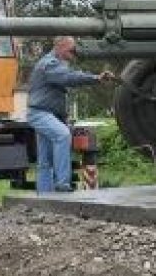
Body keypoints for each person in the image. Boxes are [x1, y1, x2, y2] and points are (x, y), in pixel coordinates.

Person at [27, 36, 114, 193]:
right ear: (60, 47)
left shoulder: (56, 63)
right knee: (62, 135)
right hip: (40, 113)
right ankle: (62, 185)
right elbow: (69, 77)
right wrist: (96, 78)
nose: (74, 52)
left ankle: (45, 197)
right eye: (71, 49)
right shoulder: (50, 64)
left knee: (45, 160)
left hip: (48, 114)